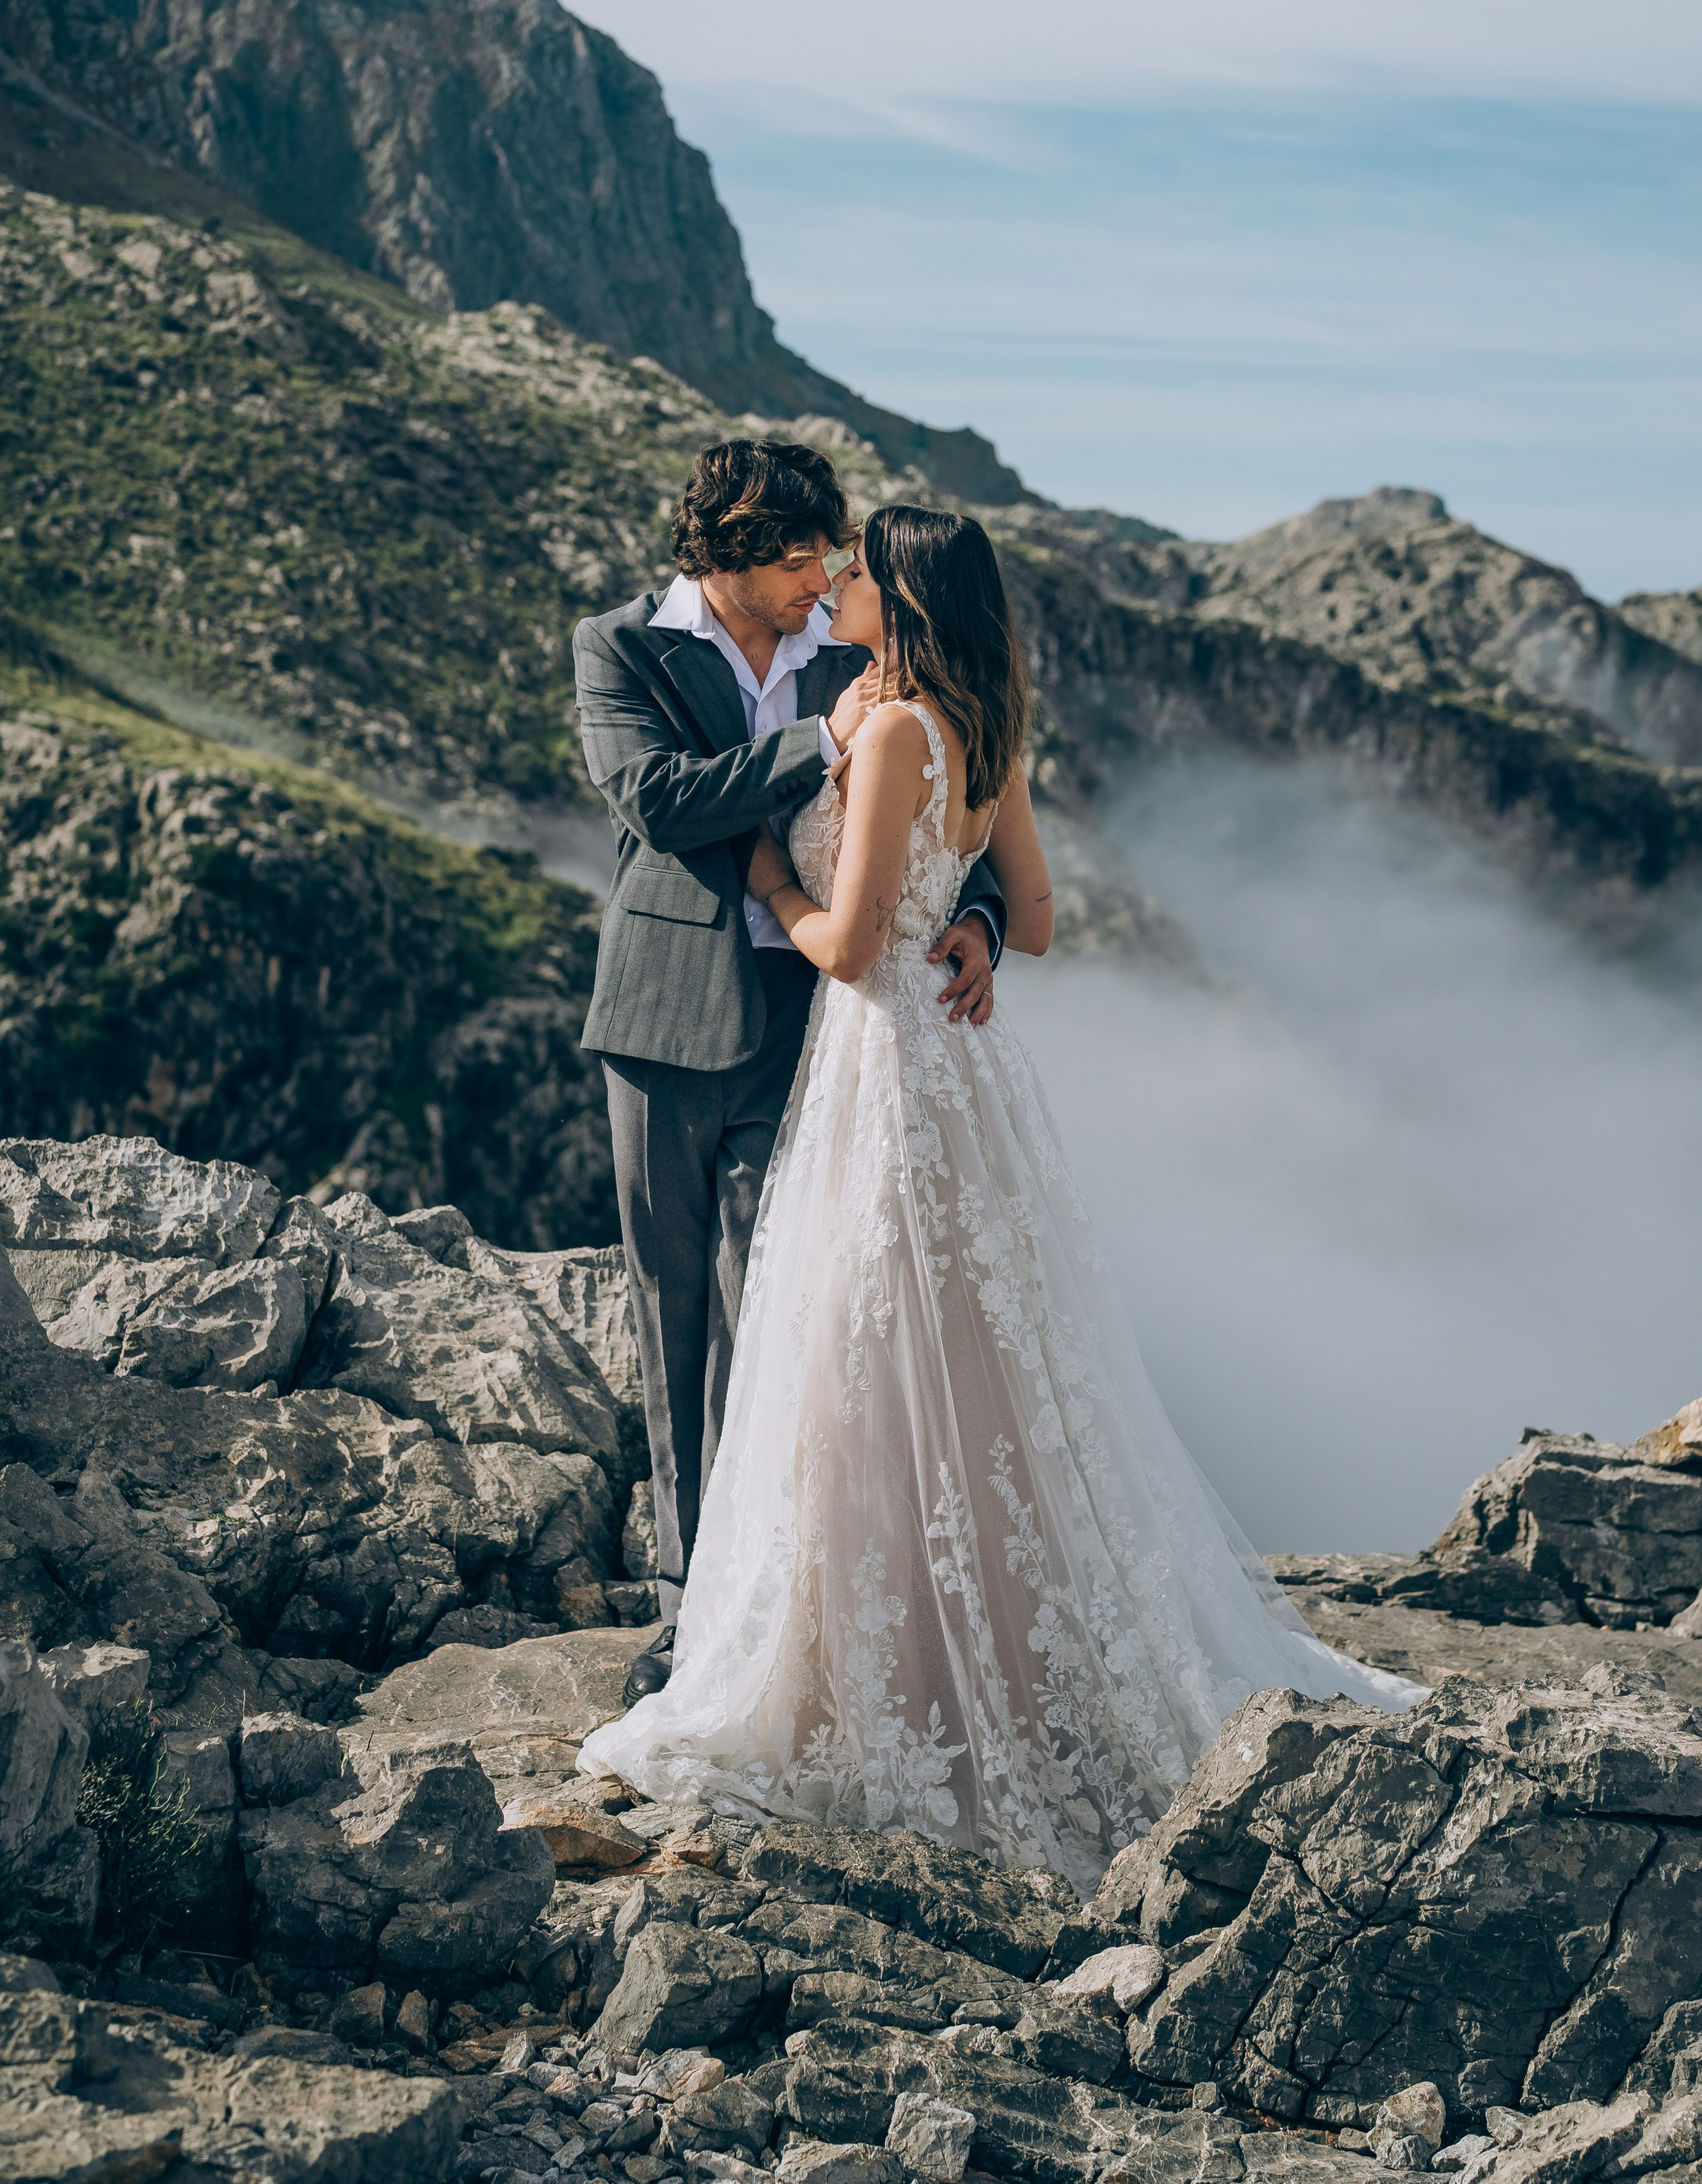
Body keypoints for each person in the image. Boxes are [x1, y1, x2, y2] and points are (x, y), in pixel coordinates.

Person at [580, 503, 1422, 1889]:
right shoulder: (974, 723)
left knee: (864, 1361)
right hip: (960, 1072)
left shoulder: (897, 728)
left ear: (900, 601)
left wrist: (770, 880)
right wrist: (961, 926)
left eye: (856, 572)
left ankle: (882, 1663)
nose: (834, 584)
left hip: (885, 1070)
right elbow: (1027, 915)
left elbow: (848, 948)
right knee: (960, 1365)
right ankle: (956, 1632)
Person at [573, 441, 1009, 1703]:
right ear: (728, 555)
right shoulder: (621, 649)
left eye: (831, 554)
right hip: (663, 1018)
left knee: (772, 1309)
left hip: (820, 1027)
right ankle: (682, 1603)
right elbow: (658, 800)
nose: (828, 574)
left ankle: (759, 1596)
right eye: (803, 554)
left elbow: (935, 793)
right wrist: (820, 739)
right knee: (673, 1306)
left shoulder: (851, 647)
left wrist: (976, 917)